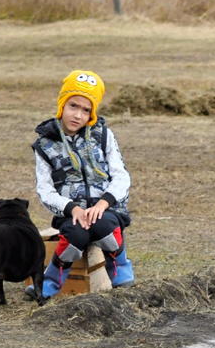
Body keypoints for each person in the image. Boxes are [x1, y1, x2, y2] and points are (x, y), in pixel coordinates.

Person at [27, 70, 135, 300]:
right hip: (71, 212)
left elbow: (122, 176)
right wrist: (72, 209)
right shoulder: (44, 145)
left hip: (106, 210)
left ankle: (120, 269)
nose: (78, 115)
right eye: (73, 106)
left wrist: (104, 204)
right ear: (62, 105)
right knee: (74, 237)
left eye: (86, 110)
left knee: (105, 229)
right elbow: (45, 190)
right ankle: (49, 283)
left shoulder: (103, 135)